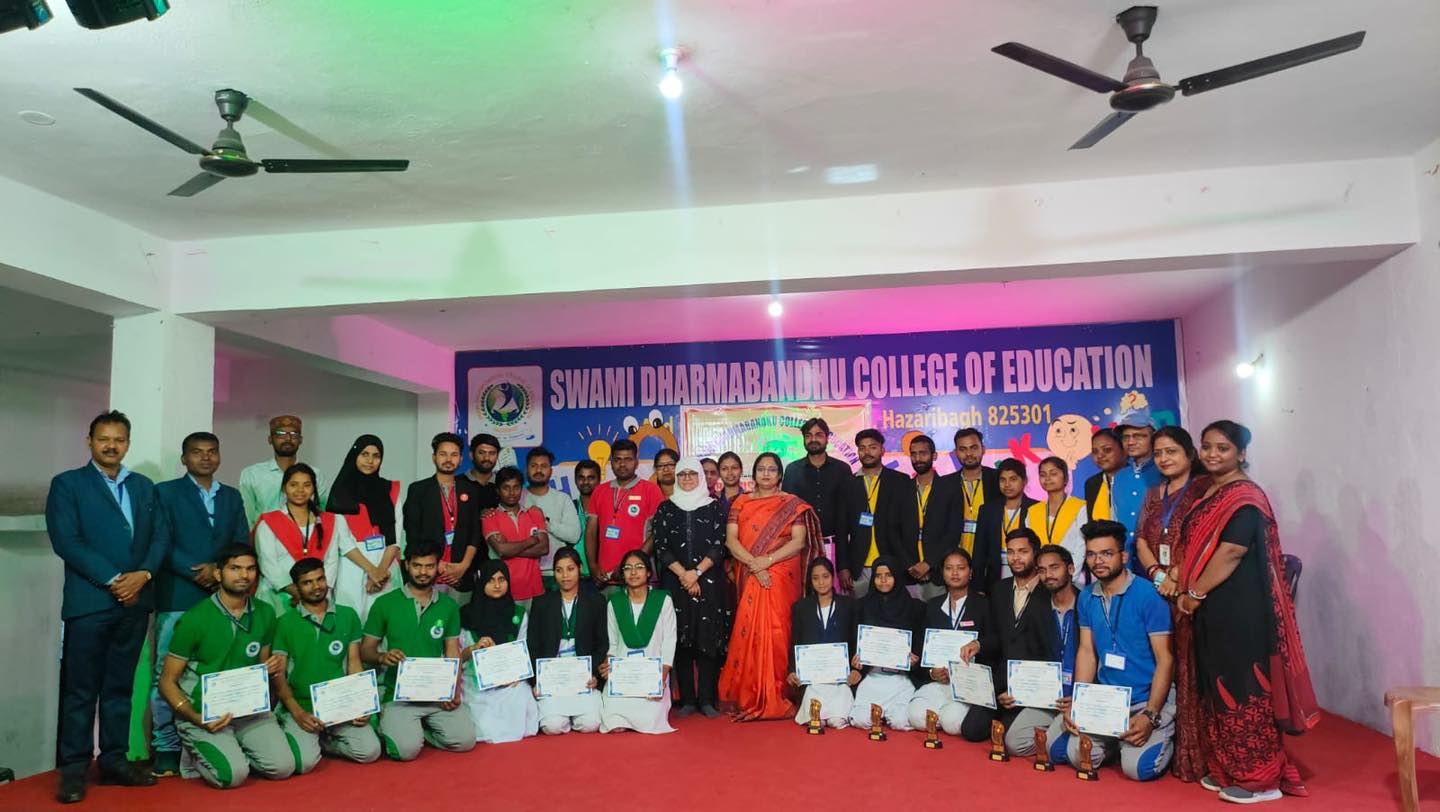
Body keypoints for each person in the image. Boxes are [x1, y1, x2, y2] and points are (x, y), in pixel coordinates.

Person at [1176, 421, 1318, 803]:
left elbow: (1232, 552)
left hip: (1240, 608)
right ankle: (1229, 767)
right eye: (1207, 446)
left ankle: (1261, 780)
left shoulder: (1245, 498)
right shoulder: (1210, 490)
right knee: (1216, 688)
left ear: (1241, 454)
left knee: (1244, 689)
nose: (1212, 454)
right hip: (1212, 607)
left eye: (1222, 448)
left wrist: (1194, 592)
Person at [47, 410, 167, 802]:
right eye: (104, 439)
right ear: (90, 441)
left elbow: (160, 537)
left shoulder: (144, 486)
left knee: (120, 687)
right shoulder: (68, 484)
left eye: (119, 439)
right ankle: (73, 770)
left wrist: (142, 575)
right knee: (80, 690)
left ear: (128, 444)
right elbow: (67, 541)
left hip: (135, 603)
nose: (111, 446)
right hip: (90, 603)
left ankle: (114, 760)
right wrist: (116, 579)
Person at [150, 431, 249, 778]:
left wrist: (218, 571)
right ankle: (166, 746)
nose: (205, 457)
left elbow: (240, 541)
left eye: (212, 451)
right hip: (178, 594)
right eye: (197, 452)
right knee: (166, 673)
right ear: (184, 459)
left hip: (222, 596)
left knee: (220, 668)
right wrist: (198, 571)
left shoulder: (231, 496)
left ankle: (219, 734)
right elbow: (160, 542)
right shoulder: (165, 493)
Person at [156, 545, 293, 789]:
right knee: (233, 776)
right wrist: (196, 718)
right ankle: (196, 750)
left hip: (248, 710)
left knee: (283, 767)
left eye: (250, 569)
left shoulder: (265, 612)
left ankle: (232, 747)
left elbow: (260, 665)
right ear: (218, 574)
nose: (244, 575)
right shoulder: (194, 619)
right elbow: (167, 682)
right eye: (235, 568)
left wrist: (269, 667)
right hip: (205, 712)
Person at [1062, 520, 1175, 782]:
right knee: (1076, 755)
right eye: (1092, 554)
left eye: (1106, 553)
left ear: (1123, 556)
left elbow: (1166, 659)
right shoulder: (1087, 596)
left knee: (1138, 769)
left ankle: (1163, 729)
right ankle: (1114, 741)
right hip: (1107, 700)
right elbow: (1087, 652)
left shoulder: (1148, 595)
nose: (1098, 561)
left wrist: (1150, 715)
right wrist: (1079, 703)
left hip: (1145, 700)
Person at [717, 452, 823, 721]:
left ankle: (779, 693)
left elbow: (798, 542)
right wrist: (755, 564)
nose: (766, 474)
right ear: (753, 474)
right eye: (761, 469)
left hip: (781, 572)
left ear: (780, 475)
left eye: (772, 469)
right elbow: (731, 541)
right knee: (750, 628)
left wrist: (767, 561)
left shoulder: (792, 504)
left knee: (778, 632)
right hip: (751, 570)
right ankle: (751, 693)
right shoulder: (741, 502)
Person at [360, 541, 475, 760]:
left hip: (437, 693)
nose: (423, 572)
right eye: (417, 566)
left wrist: (454, 689)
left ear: (437, 566)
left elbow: (452, 651)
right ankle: (394, 725)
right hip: (398, 695)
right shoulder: (384, 603)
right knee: (405, 751)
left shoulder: (449, 606)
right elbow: (365, 651)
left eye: (429, 566)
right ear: (406, 566)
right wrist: (383, 657)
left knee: (465, 741)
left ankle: (422, 733)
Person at [270, 557, 382, 769]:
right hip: (303, 706)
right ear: (296, 587)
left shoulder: (347, 615)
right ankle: (294, 727)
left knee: (370, 751)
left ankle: (326, 743)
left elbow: (354, 663)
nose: (316, 586)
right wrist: (297, 712)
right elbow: (279, 674)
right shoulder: (284, 623)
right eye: (307, 582)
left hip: (340, 704)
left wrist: (361, 705)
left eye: (320, 579)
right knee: (305, 763)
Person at [651, 457, 730, 718]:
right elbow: (661, 547)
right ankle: (686, 699)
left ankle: (707, 699)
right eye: (682, 474)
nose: (686, 478)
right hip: (675, 581)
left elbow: (719, 545)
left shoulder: (714, 507)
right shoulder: (666, 508)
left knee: (707, 637)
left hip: (708, 581)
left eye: (692, 474)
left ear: (700, 477)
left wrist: (696, 573)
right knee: (679, 637)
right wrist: (684, 575)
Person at [999, 543, 1083, 763]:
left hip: (1078, 695)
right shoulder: (1037, 608)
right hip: (1047, 696)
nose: (1048, 575)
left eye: (1054, 567)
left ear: (1071, 569)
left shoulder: (1087, 604)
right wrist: (1017, 689)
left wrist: (1079, 696)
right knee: (1014, 743)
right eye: (1042, 570)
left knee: (1056, 750)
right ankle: (1060, 732)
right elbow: (1029, 653)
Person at [906, 548, 992, 740]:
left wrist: (979, 644)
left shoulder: (984, 605)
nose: (954, 573)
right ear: (942, 572)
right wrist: (931, 672)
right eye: (949, 568)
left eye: (960, 568)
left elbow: (995, 641)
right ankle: (940, 713)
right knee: (916, 717)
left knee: (952, 723)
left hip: (968, 682)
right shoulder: (932, 606)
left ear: (970, 572)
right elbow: (921, 647)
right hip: (938, 681)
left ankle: (945, 715)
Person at [989, 528, 1061, 756]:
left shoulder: (1051, 592)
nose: (1015, 558)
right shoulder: (999, 589)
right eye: (1010, 552)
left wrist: (1026, 691)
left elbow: (1051, 650)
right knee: (975, 728)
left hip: (1035, 687)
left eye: (1022, 551)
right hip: (1002, 683)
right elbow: (995, 638)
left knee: (1009, 737)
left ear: (1035, 553)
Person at [459, 559, 540, 743]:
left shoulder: (518, 613)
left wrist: (518, 675)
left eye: (502, 579)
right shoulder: (466, 614)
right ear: (482, 582)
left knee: (521, 697)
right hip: (475, 680)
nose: (497, 585)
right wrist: (473, 649)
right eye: (491, 580)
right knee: (483, 724)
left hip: (509, 680)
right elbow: (457, 657)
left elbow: (523, 650)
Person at [527, 548, 607, 734]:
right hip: (552, 678)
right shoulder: (541, 603)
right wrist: (537, 680)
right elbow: (533, 646)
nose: (565, 576)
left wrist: (594, 674)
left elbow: (602, 643)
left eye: (570, 569)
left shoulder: (596, 602)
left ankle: (573, 717)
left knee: (590, 724)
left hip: (583, 679)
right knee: (552, 726)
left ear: (580, 568)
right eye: (559, 570)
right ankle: (562, 717)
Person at [599, 549, 678, 734]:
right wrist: (607, 663)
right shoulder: (614, 603)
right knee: (613, 721)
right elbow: (613, 643)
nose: (633, 572)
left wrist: (662, 676)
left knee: (649, 719)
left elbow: (669, 640)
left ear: (649, 572)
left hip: (653, 675)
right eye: (628, 568)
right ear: (622, 573)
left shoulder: (663, 600)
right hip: (624, 676)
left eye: (639, 567)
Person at [253, 464, 347, 616]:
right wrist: (293, 590)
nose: (300, 490)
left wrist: (317, 590)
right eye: (294, 485)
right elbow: (267, 562)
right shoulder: (269, 522)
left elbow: (331, 561)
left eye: (307, 485)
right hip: (278, 596)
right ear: (284, 488)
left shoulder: (329, 521)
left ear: (314, 488)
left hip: (318, 596)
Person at [327, 434, 402, 623]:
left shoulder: (391, 489)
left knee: (386, 621)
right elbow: (343, 540)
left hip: (386, 563)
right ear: (355, 456)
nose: (370, 461)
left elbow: (395, 537)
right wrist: (371, 570)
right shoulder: (339, 492)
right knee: (352, 621)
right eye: (364, 454)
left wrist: (380, 571)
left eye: (376, 456)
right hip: (352, 565)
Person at [847, 556, 923, 731]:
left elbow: (919, 643)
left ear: (896, 576)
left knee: (900, 722)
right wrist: (855, 661)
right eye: (878, 576)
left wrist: (914, 660)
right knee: (861, 721)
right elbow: (853, 640)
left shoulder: (914, 607)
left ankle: (890, 713)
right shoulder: (862, 606)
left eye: (888, 575)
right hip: (872, 676)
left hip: (900, 678)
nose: (883, 580)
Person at [403, 433, 482, 594]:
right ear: (434, 457)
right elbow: (412, 533)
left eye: (454, 455)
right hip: (428, 573)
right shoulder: (418, 490)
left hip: (461, 575)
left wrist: (463, 566)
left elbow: (475, 533)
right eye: (443, 454)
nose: (448, 459)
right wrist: (435, 564)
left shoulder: (470, 490)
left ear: (461, 459)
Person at [787, 557, 860, 729]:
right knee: (816, 720)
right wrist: (792, 671)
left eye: (825, 577)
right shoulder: (800, 608)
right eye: (815, 578)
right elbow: (795, 642)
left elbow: (855, 640)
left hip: (841, 680)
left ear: (833, 577)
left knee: (836, 721)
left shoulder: (849, 605)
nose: (821, 582)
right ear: (810, 581)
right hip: (812, 679)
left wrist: (856, 669)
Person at [841, 429, 915, 597]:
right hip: (859, 566)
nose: (867, 452)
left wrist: (908, 562)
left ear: (882, 450)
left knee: (894, 609)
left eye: (872, 447)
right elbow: (842, 529)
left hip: (893, 562)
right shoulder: (848, 484)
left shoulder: (900, 481)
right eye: (862, 448)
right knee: (860, 610)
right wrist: (843, 567)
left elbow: (908, 526)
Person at [781, 417, 854, 585]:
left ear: (827, 438)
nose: (813, 439)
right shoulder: (792, 471)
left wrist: (844, 564)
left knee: (837, 596)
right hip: (803, 548)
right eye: (808, 435)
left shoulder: (842, 469)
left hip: (837, 548)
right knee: (805, 595)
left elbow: (849, 514)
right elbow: (786, 514)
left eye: (818, 435)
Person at [584, 438, 664, 589]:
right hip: (605, 578)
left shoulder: (651, 490)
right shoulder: (600, 491)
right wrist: (593, 566)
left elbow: (658, 532)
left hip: (639, 577)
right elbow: (590, 532)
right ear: (611, 462)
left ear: (636, 462)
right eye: (617, 459)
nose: (622, 464)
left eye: (628, 459)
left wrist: (630, 565)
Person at [238, 414, 327, 528]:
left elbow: (322, 513)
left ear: (300, 440)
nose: (288, 438)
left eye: (294, 434)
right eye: (281, 434)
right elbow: (247, 516)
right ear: (270, 439)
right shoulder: (252, 474)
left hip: (304, 536)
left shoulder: (315, 474)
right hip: (263, 536)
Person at [481, 467, 549, 607]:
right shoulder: (490, 517)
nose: (512, 493)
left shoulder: (534, 513)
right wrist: (531, 541)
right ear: (498, 490)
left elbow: (543, 548)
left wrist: (510, 548)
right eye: (506, 488)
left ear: (521, 489)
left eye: (516, 487)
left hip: (535, 590)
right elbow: (501, 551)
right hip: (504, 591)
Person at [907, 434, 960, 600]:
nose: (918, 458)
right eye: (914, 454)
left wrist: (928, 564)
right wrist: (911, 566)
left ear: (934, 455)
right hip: (908, 573)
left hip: (937, 572)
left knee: (935, 614)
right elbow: (893, 530)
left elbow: (953, 533)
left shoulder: (950, 489)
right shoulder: (902, 488)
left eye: (923, 453)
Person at [522, 446, 581, 591]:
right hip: (523, 571)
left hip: (555, 574)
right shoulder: (516, 498)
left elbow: (574, 535)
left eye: (543, 466)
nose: (538, 470)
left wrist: (546, 524)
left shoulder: (562, 499)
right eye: (534, 466)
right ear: (526, 469)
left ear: (551, 471)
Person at [973, 459, 1038, 588]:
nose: (1007, 484)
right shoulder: (987, 510)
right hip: (994, 578)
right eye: (1003, 480)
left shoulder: (1036, 509)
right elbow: (979, 551)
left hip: (1028, 576)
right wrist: (978, 585)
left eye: (1013, 479)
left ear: (1024, 481)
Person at [1113, 406, 1163, 565]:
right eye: (1126, 437)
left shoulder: (1165, 470)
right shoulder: (1120, 476)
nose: (1131, 442)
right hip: (1127, 561)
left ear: (1153, 438)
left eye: (1138, 436)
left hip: (1157, 559)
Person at [941, 427, 1001, 557]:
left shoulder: (998, 479)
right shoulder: (944, 484)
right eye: (963, 449)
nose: (968, 454)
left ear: (983, 449)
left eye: (974, 448)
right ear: (956, 453)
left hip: (989, 556)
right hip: (954, 559)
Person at [1026, 456, 1088, 566]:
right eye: (1043, 475)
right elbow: (1031, 547)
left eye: (1053, 474)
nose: (1047, 478)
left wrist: (1071, 572)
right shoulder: (1033, 511)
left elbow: (1082, 547)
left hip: (1072, 571)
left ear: (1066, 478)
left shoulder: (1080, 507)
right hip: (1041, 571)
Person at [571, 459, 602, 590]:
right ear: (575, 480)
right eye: (581, 478)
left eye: (591, 478)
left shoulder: (607, 509)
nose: (586, 482)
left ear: (599, 480)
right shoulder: (569, 507)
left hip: (601, 575)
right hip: (574, 577)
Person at [1083, 428, 1125, 522]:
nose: (1100, 455)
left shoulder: (1137, 479)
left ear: (1124, 449)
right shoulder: (1092, 484)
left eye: (1107, 450)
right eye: (1095, 451)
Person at [463, 432, 502, 513]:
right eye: (481, 453)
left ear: (497, 456)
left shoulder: (503, 483)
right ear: (471, 455)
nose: (487, 458)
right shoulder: (458, 483)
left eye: (492, 453)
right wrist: (477, 516)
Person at [715, 450, 749, 515]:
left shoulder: (749, 499)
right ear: (719, 473)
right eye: (724, 469)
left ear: (741, 471)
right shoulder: (713, 499)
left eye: (734, 468)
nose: (730, 473)